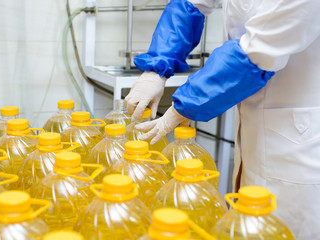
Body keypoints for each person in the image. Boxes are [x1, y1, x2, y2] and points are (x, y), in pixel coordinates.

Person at [124, 0, 320, 239]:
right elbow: (191, 4)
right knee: (246, 223)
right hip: (255, 126)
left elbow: (257, 51)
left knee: (281, 228)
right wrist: (156, 67)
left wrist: (183, 107)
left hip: (300, 140)